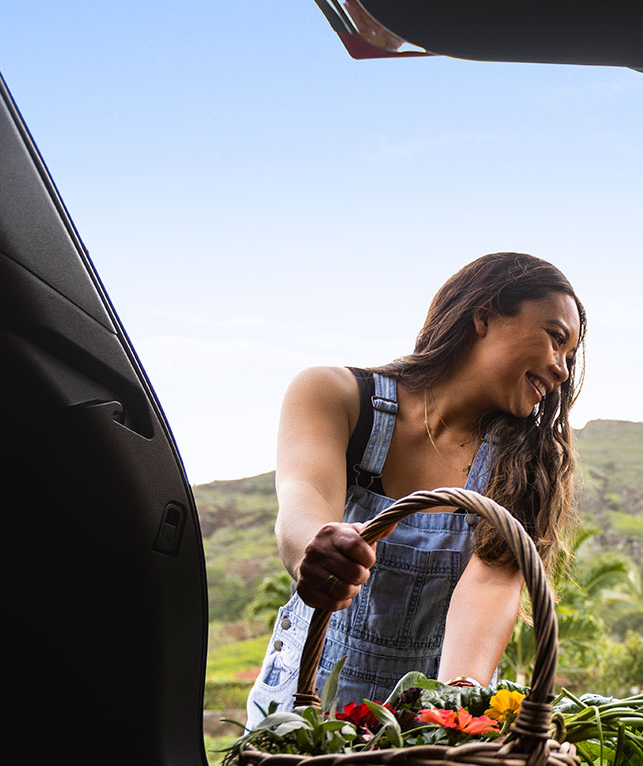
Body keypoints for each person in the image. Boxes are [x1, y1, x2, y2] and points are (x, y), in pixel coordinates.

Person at [245, 253, 584, 719]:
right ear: (484, 315)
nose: (563, 369)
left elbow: (490, 583)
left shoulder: (528, 462)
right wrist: (318, 549)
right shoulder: (335, 395)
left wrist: (447, 717)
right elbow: (304, 500)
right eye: (555, 338)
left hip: (420, 718)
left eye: (570, 356)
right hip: (301, 712)